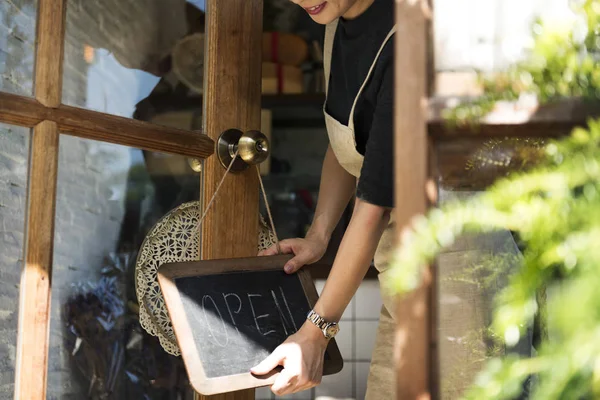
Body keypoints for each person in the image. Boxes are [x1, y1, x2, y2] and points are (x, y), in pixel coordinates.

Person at [251, 0, 397, 397]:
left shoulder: (407, 40)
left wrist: (317, 332)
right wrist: (319, 236)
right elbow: (346, 143)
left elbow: (375, 208)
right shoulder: (336, 20)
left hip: (456, 273)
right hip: (404, 279)